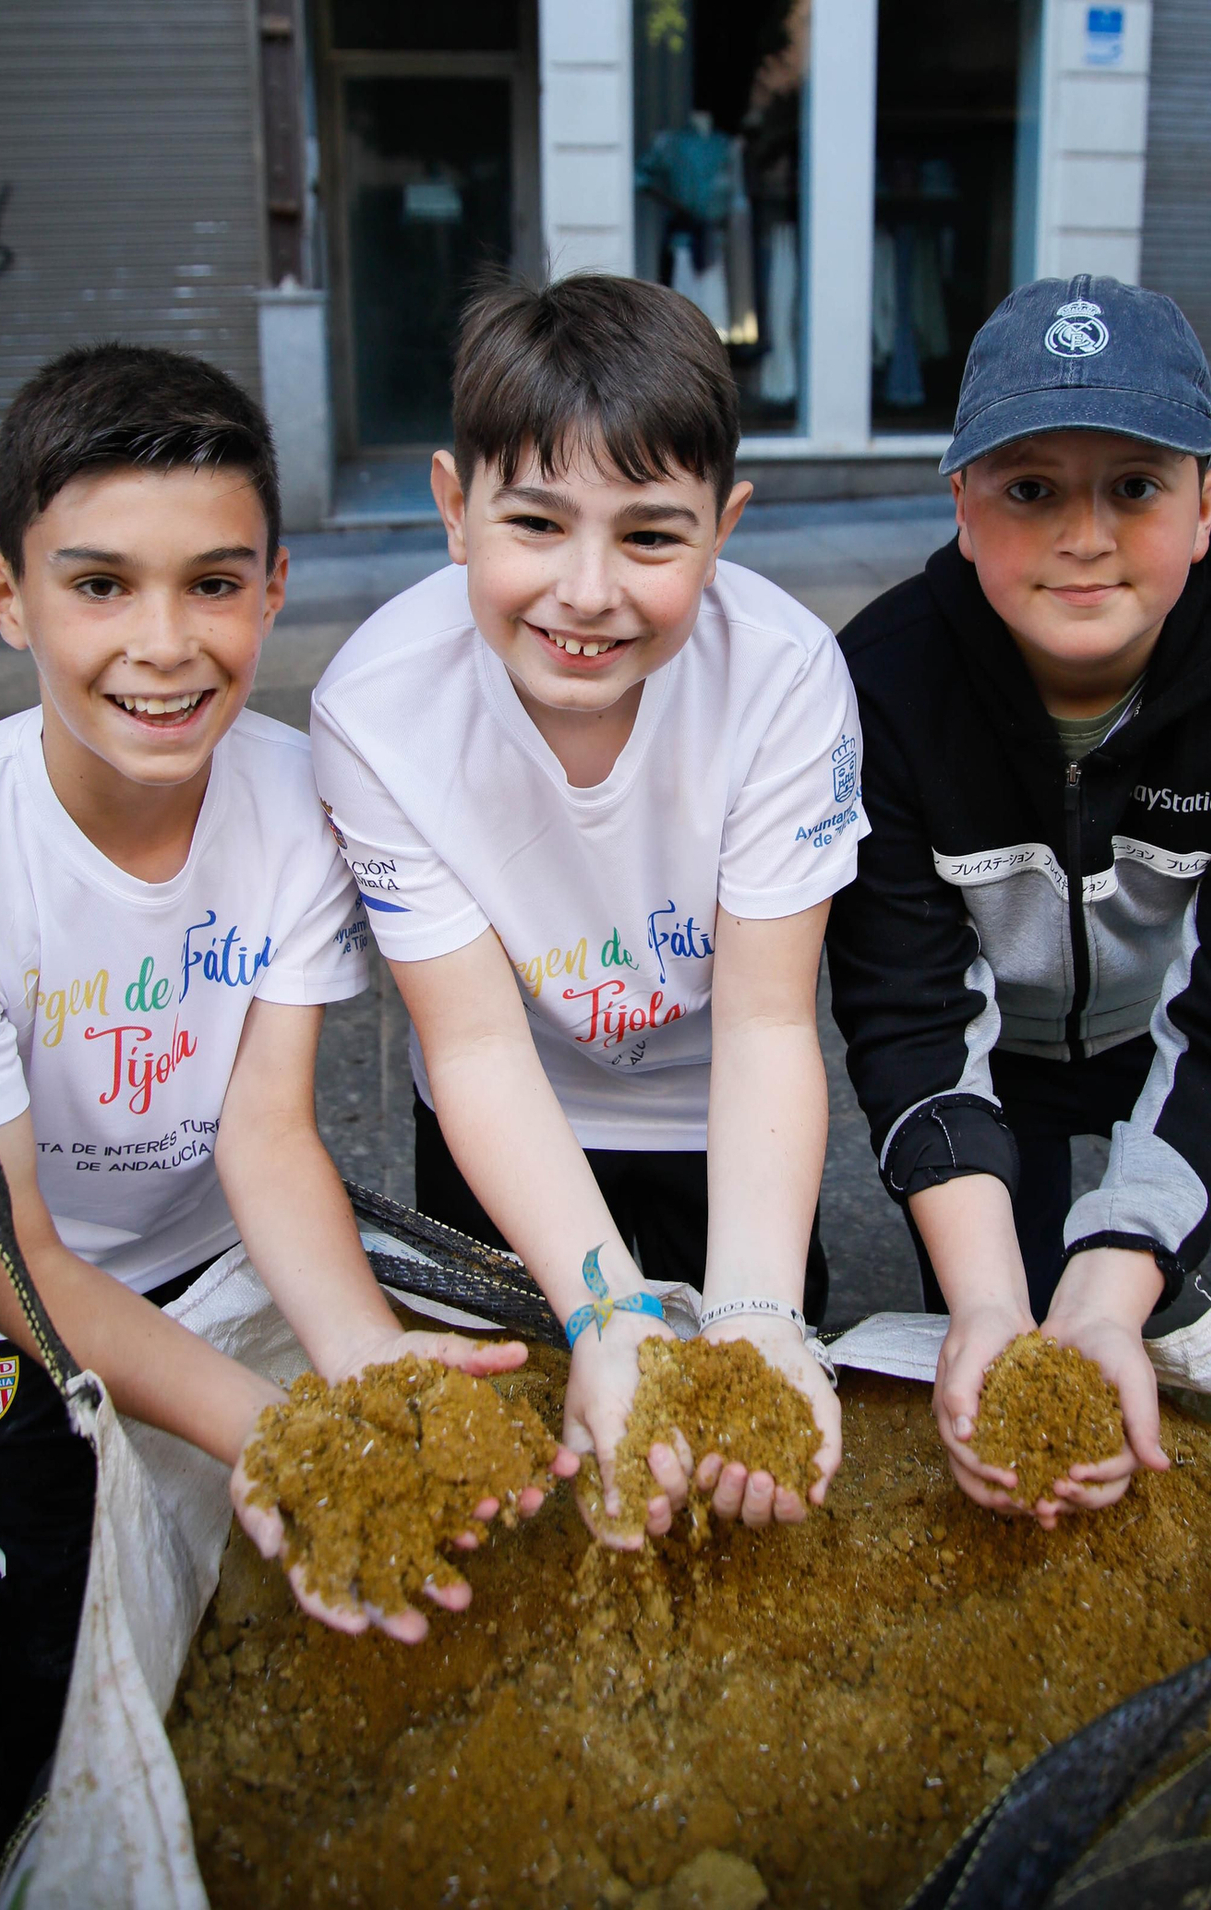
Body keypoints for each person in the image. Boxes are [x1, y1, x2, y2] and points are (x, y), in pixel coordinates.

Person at [0, 344, 562, 1818]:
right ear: (7, 596)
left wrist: (355, 1363)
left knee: (234, 1621)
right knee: (68, 1647)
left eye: (214, 583)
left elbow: (266, 1133)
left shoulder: (295, 802)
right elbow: (19, 1259)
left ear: (274, 585)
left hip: (220, 1260)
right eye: (100, 584)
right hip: (16, 1322)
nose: (165, 645)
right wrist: (282, 1426)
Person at [827, 274, 1211, 1528]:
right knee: (1000, 1340)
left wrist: (1121, 1283)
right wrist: (993, 1304)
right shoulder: (878, 685)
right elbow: (902, 1015)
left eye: (1133, 485)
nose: (1084, 533)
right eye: (1029, 488)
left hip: (1182, 1048)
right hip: (983, 1065)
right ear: (960, 506)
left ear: (1206, 504)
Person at [310, 273, 862, 1545]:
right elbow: (477, 1042)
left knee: (743, 1474)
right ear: (456, 511)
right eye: (537, 524)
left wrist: (756, 1322)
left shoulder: (784, 682)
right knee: (542, 1489)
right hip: (506, 1130)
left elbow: (771, 1025)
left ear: (724, 529)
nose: (588, 591)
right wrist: (604, 1311)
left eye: (653, 536)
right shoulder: (377, 711)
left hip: (723, 1128)